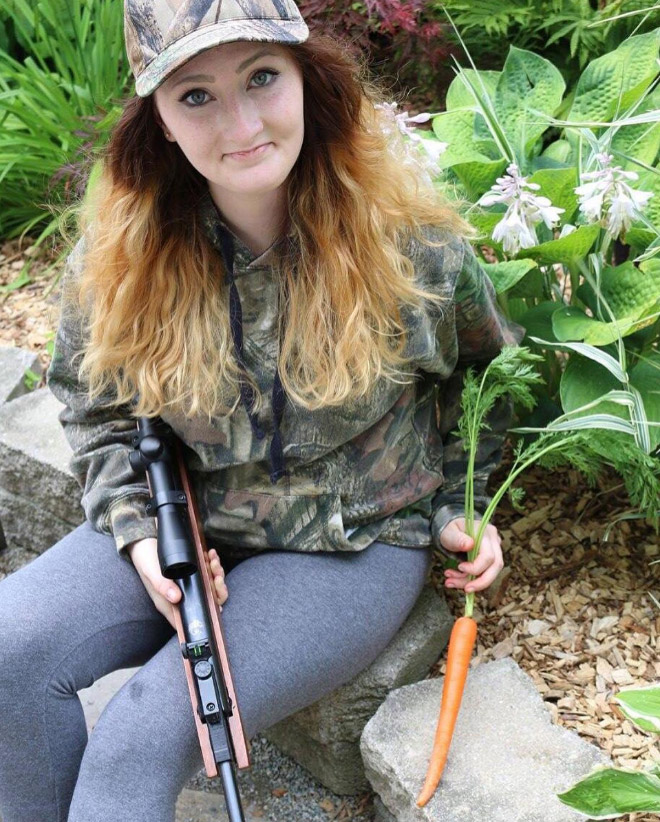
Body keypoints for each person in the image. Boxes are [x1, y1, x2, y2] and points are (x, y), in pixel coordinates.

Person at [0, 2, 523, 821]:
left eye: (262, 77)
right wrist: (140, 532)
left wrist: (465, 505)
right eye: (195, 95)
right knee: (8, 653)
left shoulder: (410, 242)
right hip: (189, 516)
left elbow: (484, 383)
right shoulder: (119, 255)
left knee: (137, 740)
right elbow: (96, 408)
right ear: (161, 122)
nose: (240, 123)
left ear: (308, 79)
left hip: (347, 544)